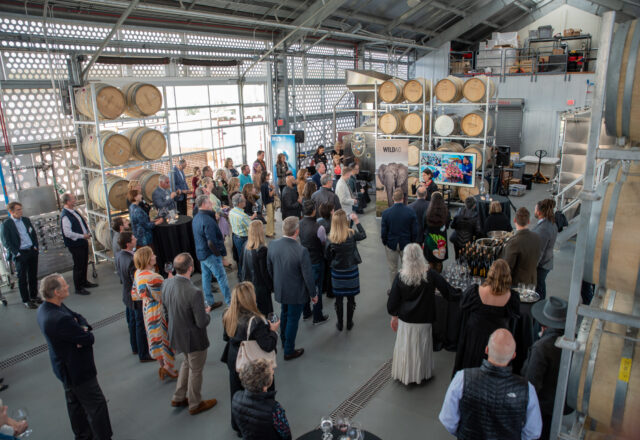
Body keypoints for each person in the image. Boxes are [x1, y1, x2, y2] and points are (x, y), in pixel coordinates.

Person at [37, 273, 113, 439]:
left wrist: (81, 327)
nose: (68, 286)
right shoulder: (59, 319)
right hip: (77, 370)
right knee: (97, 405)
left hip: (63, 368)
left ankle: (83, 435)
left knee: (75, 404)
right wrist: (82, 331)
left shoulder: (48, 308)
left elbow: (78, 317)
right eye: (64, 285)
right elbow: (88, 338)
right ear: (56, 292)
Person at [440, 329, 542, 440]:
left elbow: (448, 420)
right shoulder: (527, 389)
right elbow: (533, 431)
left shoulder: (462, 378)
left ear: (487, 350)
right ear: (513, 355)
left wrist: (464, 434)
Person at [387, 243, 456, 385]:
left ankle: (405, 374)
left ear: (405, 258)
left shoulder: (400, 276)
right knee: (421, 348)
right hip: (424, 319)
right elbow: (448, 292)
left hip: (406, 320)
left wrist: (394, 316)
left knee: (406, 348)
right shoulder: (430, 274)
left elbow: (392, 302)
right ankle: (421, 374)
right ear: (421, 256)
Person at [161, 253, 218, 416]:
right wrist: (207, 313)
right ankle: (195, 403)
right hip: (193, 338)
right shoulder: (194, 292)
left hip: (176, 335)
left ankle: (178, 396)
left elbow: (165, 310)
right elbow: (201, 322)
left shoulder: (166, 284)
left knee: (186, 362)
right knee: (196, 370)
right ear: (191, 268)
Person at [222, 282, 279, 436]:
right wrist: (273, 331)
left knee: (237, 391)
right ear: (250, 298)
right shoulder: (256, 321)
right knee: (257, 394)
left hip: (234, 358)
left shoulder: (227, 314)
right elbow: (267, 345)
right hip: (252, 362)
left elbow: (225, 336)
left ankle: (238, 425)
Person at [453, 259, 520, 375]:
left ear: (490, 273)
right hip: (496, 342)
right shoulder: (512, 297)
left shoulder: (474, 291)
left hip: (475, 338)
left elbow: (462, 308)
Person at [267, 217, 318, 360]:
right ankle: (289, 350)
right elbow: (308, 276)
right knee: (293, 320)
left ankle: (283, 341)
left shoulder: (272, 245)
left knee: (284, 313)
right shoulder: (301, 251)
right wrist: (313, 294)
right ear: (297, 231)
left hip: (281, 289)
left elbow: (269, 268)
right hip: (296, 293)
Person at [522, 296, 568, 440]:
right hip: (559, 405)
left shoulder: (541, 348)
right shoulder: (568, 343)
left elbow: (532, 383)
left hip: (541, 407)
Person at [133, 247, 178, 380]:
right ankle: (168, 368)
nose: (155, 256)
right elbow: (164, 295)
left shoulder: (138, 273)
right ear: (147, 258)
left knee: (154, 338)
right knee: (164, 337)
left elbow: (135, 294)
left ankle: (161, 364)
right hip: (158, 311)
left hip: (147, 309)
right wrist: (169, 280)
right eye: (152, 254)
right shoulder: (154, 277)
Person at [325, 209, 366, 331]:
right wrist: (357, 221)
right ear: (345, 221)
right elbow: (363, 235)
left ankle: (340, 324)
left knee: (338, 299)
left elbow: (328, 257)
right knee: (351, 298)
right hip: (351, 270)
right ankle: (349, 323)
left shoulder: (330, 238)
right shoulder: (352, 233)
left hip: (337, 272)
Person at [114, 232, 152, 362]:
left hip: (126, 294)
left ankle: (135, 347)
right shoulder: (131, 261)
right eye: (133, 238)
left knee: (132, 323)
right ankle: (144, 353)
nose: (136, 238)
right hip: (134, 297)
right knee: (140, 324)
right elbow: (137, 281)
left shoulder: (119, 255)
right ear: (128, 243)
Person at [232, 358, 292, 440]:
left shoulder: (236, 397)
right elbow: (285, 433)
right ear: (266, 383)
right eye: (271, 373)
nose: (273, 372)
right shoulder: (274, 408)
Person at [192, 195, 230, 308]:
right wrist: (221, 256)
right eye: (209, 202)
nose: (211, 204)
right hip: (211, 255)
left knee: (206, 277)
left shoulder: (196, 217)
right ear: (203, 204)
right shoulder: (207, 220)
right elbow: (212, 242)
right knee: (221, 277)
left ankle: (209, 302)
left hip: (201, 253)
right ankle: (230, 303)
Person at [1, 201, 40, 308]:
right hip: (20, 254)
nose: (21, 211)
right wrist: (16, 253)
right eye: (18, 210)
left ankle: (34, 296)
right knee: (22, 278)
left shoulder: (26, 220)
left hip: (31, 251)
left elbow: (33, 234)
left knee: (33, 276)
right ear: (11, 211)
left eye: (21, 209)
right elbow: (6, 242)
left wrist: (35, 246)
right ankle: (26, 300)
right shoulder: (6, 224)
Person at [60, 193, 97, 296]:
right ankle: (78, 287)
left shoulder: (73, 211)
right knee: (78, 265)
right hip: (75, 244)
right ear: (68, 202)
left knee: (84, 263)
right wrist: (82, 236)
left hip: (82, 242)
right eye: (73, 199)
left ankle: (84, 282)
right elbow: (67, 233)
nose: (75, 200)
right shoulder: (65, 216)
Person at [299, 200, 329, 325]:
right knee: (317, 288)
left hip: (303, 261)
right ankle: (318, 316)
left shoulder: (299, 223)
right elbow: (323, 243)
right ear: (314, 211)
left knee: (306, 286)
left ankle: (306, 313)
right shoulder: (319, 227)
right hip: (316, 260)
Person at [381, 189, 417, 291]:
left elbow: (384, 231)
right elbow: (414, 231)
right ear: (403, 198)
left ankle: (394, 290)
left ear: (393, 198)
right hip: (406, 244)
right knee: (407, 268)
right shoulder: (410, 212)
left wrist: (385, 242)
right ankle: (407, 288)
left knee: (393, 269)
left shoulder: (386, 213)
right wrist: (412, 243)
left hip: (391, 244)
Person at [502, 207, 542, 286]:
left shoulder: (514, 242)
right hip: (532, 281)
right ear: (529, 221)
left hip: (518, 285)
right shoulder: (537, 237)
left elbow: (508, 268)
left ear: (514, 221)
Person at [242, 221, 274, 315]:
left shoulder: (245, 245)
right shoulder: (262, 249)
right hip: (261, 287)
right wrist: (271, 286)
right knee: (266, 311)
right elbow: (264, 272)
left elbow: (242, 265)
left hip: (249, 285)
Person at [532, 199, 558, 299]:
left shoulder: (544, 228)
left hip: (542, 264)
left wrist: (532, 267)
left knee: (539, 287)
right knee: (541, 285)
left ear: (539, 212)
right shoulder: (550, 222)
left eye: (535, 209)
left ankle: (539, 305)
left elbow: (540, 251)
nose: (534, 211)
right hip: (546, 261)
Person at [229, 193, 257, 280]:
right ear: (239, 203)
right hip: (243, 239)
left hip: (235, 237)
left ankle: (240, 274)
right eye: (244, 201)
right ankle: (245, 277)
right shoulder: (243, 216)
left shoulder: (232, 211)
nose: (245, 202)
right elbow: (251, 227)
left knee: (239, 258)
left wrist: (249, 218)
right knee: (245, 259)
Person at [424, 192, 450, 273]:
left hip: (430, 240)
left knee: (430, 262)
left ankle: (431, 280)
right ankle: (438, 279)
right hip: (441, 240)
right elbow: (448, 225)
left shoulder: (427, 212)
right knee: (439, 262)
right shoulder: (446, 212)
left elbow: (424, 226)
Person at [260, 171, 276, 238]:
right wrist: (273, 189)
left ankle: (271, 231)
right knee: (270, 218)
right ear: (264, 176)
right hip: (268, 202)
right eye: (267, 175)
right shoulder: (264, 185)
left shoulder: (267, 184)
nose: (269, 177)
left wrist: (272, 188)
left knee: (272, 217)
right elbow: (269, 194)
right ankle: (269, 233)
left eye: (269, 175)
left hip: (270, 201)